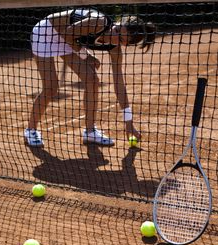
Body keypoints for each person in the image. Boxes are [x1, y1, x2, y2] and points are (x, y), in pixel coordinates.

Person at [24, 8, 155, 147]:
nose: (113, 34)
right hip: (46, 33)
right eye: (116, 29)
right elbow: (68, 33)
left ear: (125, 44)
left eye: (120, 39)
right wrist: (86, 56)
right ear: (117, 22)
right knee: (51, 87)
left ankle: (90, 131)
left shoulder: (115, 49)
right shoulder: (98, 22)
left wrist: (129, 123)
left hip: (69, 38)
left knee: (92, 80)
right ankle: (30, 130)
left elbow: (119, 85)